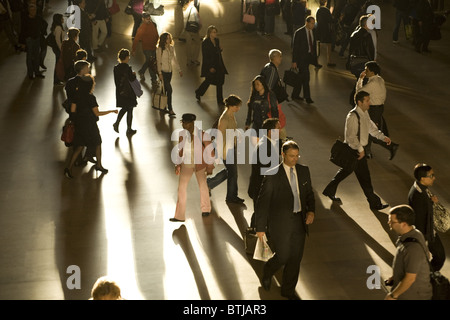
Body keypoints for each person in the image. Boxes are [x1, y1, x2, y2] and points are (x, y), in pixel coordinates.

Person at [255, 140, 315, 300]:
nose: (294, 159)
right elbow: (263, 203)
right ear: (283, 155)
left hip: (299, 221)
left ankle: (288, 291)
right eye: (291, 156)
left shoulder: (304, 171)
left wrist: (311, 211)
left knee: (295, 258)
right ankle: (268, 270)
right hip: (280, 224)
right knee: (283, 255)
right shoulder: (272, 175)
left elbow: (309, 193)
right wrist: (260, 228)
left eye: (297, 156)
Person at [322, 90, 391, 210]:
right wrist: (361, 149)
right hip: (355, 151)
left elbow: (371, 128)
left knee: (347, 171)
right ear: (360, 102)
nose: (370, 102)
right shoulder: (352, 116)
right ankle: (374, 203)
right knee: (365, 178)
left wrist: (383, 137)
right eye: (367, 100)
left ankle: (329, 190)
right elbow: (350, 137)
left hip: (358, 151)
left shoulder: (364, 113)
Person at [64, 74, 118, 179]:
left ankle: (69, 168)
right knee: (98, 143)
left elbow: (73, 111)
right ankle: (99, 165)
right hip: (90, 125)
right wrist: (111, 111)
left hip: (79, 124)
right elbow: (97, 113)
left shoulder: (76, 95)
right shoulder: (91, 98)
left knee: (79, 146)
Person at [170, 113, 214, 222]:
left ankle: (206, 209)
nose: (183, 125)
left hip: (200, 164)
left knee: (203, 186)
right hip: (187, 164)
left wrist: (210, 167)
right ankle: (179, 216)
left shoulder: (202, 135)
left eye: (185, 123)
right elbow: (180, 150)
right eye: (182, 122)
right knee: (181, 188)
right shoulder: (181, 134)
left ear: (192, 123)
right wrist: (178, 164)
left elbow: (210, 152)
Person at [385, 205, 433, 300]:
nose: (389, 223)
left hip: (412, 295)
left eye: (392, 221)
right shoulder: (415, 234)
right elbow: (427, 255)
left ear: (403, 224)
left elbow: (410, 278)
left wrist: (393, 296)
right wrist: (395, 276)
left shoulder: (412, 248)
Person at [355, 61, 399, 160]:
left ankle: (391, 146)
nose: (365, 71)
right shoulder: (380, 79)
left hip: (374, 110)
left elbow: (358, 92)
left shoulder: (372, 83)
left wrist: (360, 79)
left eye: (367, 70)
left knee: (369, 131)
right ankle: (367, 151)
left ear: (372, 72)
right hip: (378, 109)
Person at [408, 163, 446, 272]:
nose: (434, 178)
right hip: (426, 233)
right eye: (431, 175)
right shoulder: (418, 195)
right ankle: (426, 277)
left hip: (429, 230)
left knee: (439, 256)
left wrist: (431, 202)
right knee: (439, 257)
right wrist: (424, 244)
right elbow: (419, 220)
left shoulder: (420, 188)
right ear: (423, 178)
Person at [207, 95, 244, 204]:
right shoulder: (224, 119)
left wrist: (237, 134)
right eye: (237, 106)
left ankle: (210, 183)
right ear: (231, 106)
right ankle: (231, 196)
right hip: (226, 149)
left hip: (231, 146)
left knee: (231, 172)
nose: (238, 108)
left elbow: (231, 129)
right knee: (233, 173)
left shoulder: (231, 115)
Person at [248, 118, 281, 228]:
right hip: (261, 190)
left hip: (261, 189)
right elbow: (267, 173)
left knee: (260, 215)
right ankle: (253, 237)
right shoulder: (264, 147)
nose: (280, 130)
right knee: (260, 217)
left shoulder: (267, 143)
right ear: (270, 132)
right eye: (278, 128)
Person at [195, 25, 228, 106]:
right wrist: (210, 67)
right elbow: (205, 56)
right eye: (214, 32)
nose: (215, 33)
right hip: (210, 65)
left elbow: (217, 52)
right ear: (210, 33)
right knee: (208, 81)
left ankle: (220, 100)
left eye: (216, 32)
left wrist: (220, 49)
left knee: (220, 82)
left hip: (218, 64)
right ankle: (198, 92)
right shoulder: (205, 43)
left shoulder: (217, 40)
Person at [291, 16, 322, 104]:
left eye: (313, 23)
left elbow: (314, 44)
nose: (313, 25)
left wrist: (315, 59)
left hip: (309, 57)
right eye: (312, 23)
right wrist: (294, 61)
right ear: (307, 23)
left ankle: (295, 94)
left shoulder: (314, 31)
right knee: (306, 77)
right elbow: (295, 48)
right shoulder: (299, 33)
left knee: (301, 77)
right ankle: (307, 97)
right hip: (301, 58)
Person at [156, 32, 182, 117]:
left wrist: (179, 69)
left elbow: (174, 59)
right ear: (164, 40)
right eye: (167, 38)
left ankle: (163, 106)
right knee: (169, 90)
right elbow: (158, 62)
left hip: (170, 72)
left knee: (166, 90)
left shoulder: (171, 48)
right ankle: (170, 109)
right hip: (163, 72)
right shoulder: (160, 49)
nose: (169, 39)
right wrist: (159, 73)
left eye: (169, 38)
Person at [113, 48, 138, 136]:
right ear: (127, 57)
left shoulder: (116, 68)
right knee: (129, 109)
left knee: (125, 108)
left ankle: (117, 123)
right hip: (129, 93)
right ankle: (128, 128)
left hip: (120, 91)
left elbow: (116, 81)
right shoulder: (127, 68)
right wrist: (134, 75)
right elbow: (131, 79)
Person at [18, 4, 46, 79]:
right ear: (28, 11)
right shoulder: (25, 19)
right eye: (31, 10)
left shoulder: (38, 18)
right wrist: (23, 42)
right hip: (29, 39)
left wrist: (42, 32)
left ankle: (37, 72)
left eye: (34, 10)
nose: (33, 11)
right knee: (29, 56)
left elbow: (44, 24)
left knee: (37, 56)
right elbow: (22, 31)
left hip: (37, 38)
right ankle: (30, 73)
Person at [132, 12, 159, 87]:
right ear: (143, 19)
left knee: (150, 62)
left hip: (153, 47)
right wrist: (133, 50)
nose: (148, 20)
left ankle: (141, 71)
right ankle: (154, 80)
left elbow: (156, 35)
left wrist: (158, 45)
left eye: (149, 18)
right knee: (151, 63)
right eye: (147, 19)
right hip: (146, 48)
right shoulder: (142, 28)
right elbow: (136, 39)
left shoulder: (153, 25)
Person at [316, 0, 336, 67]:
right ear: (325, 2)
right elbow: (330, 20)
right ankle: (329, 61)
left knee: (319, 46)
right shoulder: (327, 10)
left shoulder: (318, 10)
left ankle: (317, 61)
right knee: (328, 45)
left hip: (319, 29)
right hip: (326, 30)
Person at [184, 0, 201, 66]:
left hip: (187, 29)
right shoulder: (193, 8)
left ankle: (188, 61)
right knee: (198, 43)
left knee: (188, 45)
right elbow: (197, 19)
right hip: (193, 29)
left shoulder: (184, 8)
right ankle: (194, 59)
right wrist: (199, 26)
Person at [50, 13, 65, 85]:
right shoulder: (58, 28)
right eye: (62, 18)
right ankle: (57, 79)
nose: (63, 20)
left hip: (57, 48)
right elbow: (58, 40)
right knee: (58, 64)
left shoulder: (57, 27)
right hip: (58, 49)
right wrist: (61, 49)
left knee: (58, 64)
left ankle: (58, 79)